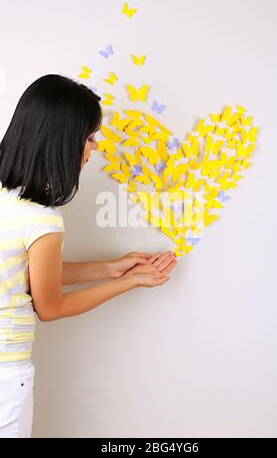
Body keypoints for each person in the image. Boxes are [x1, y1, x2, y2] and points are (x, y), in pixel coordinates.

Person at [0, 74, 177, 438]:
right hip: (6, 376)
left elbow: (22, 271)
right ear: (63, 142)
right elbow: (50, 307)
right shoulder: (41, 219)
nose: (93, 149)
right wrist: (129, 283)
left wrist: (111, 268)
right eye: (90, 138)